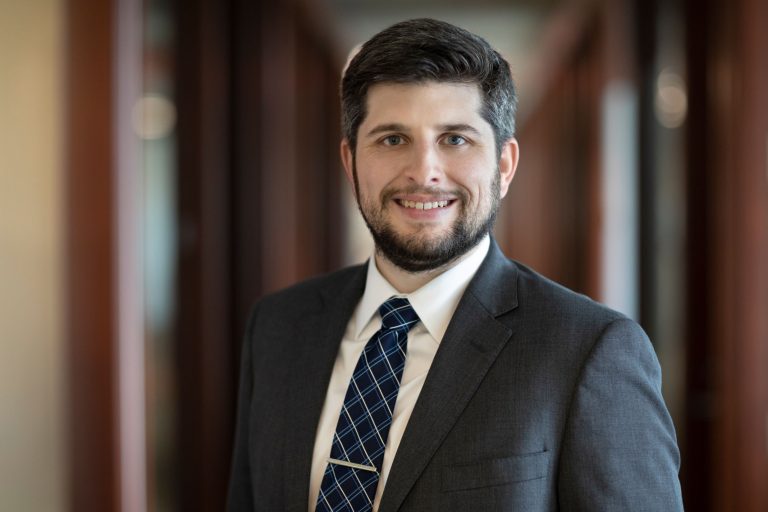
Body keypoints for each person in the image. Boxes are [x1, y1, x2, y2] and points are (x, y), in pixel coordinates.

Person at [227, 18, 683, 512]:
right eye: (392, 139)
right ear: (350, 161)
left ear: (504, 165)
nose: (424, 172)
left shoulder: (589, 351)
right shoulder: (278, 326)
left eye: (455, 139)